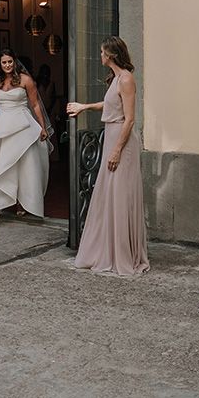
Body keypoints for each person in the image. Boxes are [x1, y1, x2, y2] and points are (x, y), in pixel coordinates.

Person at [67, 36, 149, 275]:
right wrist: (84, 107)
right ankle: (108, 250)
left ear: (110, 55)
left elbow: (130, 118)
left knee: (120, 196)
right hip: (112, 137)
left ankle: (123, 255)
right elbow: (109, 104)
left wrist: (115, 150)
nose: (99, 56)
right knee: (108, 195)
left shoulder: (126, 79)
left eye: (102, 52)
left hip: (122, 143)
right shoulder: (115, 79)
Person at [0, 49, 50, 222]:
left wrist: (43, 127)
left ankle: (23, 203)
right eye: (4, 62)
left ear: (15, 62)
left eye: (10, 62)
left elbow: (35, 105)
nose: (7, 65)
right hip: (1, 126)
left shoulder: (25, 80)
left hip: (23, 126)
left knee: (24, 165)